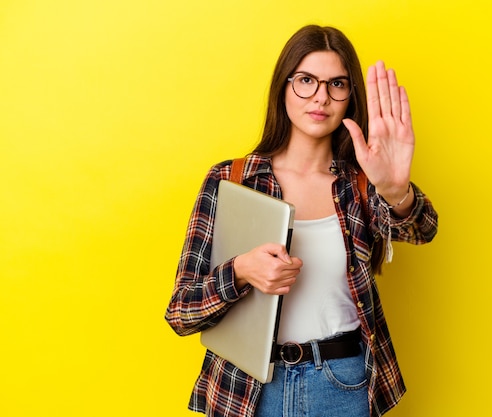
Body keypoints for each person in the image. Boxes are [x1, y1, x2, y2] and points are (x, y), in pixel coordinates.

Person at [165, 25, 438, 417]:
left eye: (337, 84)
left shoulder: (360, 182)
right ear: (284, 85)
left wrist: (396, 190)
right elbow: (181, 311)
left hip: (343, 384)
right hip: (248, 389)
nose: (321, 98)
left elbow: (423, 229)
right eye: (306, 80)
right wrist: (241, 271)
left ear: (350, 98)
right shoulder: (232, 180)